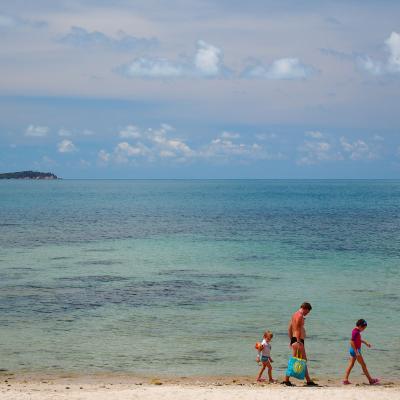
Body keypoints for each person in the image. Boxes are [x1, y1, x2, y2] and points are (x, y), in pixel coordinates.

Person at [282, 302, 317, 386]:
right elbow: (297, 328)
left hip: (295, 339)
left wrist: (291, 340)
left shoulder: (294, 314)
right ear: (305, 308)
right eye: (307, 312)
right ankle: (286, 380)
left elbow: (290, 328)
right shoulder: (300, 316)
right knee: (300, 360)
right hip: (298, 340)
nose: (307, 314)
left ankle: (308, 380)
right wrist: (298, 341)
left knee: (300, 360)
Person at [343, 319, 379, 385]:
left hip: (353, 350)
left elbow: (358, 340)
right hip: (356, 351)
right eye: (363, 328)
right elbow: (351, 341)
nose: (363, 330)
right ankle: (370, 380)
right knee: (363, 365)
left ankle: (345, 379)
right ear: (359, 326)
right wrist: (356, 351)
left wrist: (365, 343)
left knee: (351, 365)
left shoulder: (356, 331)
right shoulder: (356, 332)